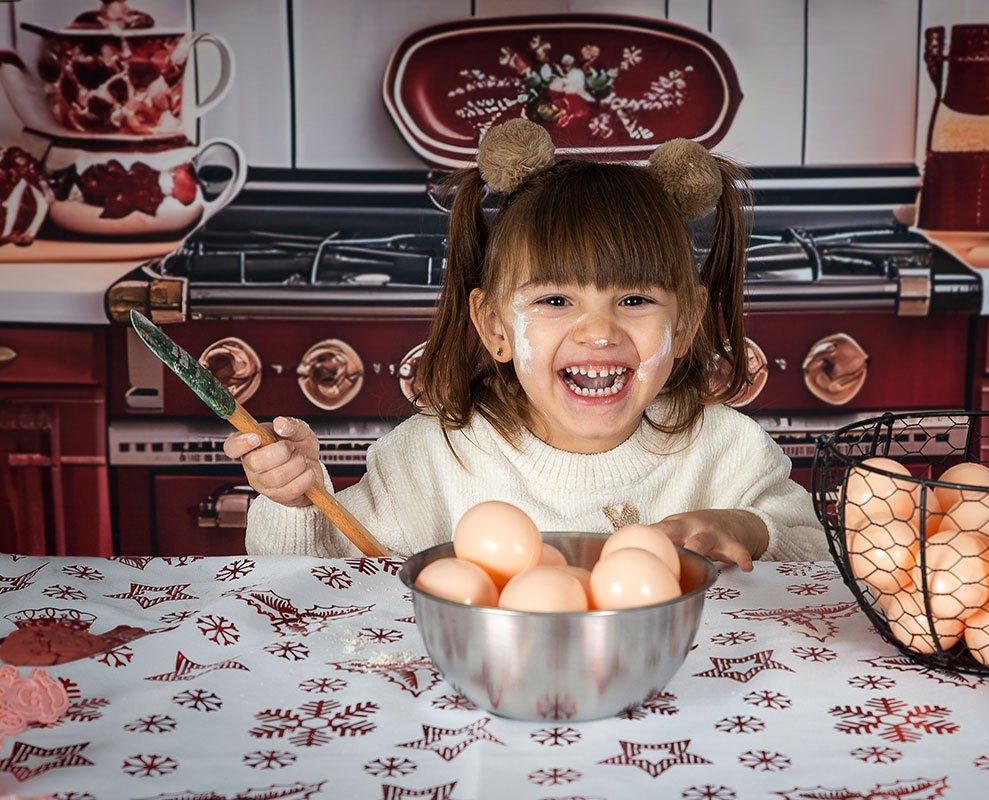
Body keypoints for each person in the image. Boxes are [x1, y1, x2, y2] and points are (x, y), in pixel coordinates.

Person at [226, 118, 828, 569]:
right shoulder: (436, 458)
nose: (598, 331)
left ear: (688, 321)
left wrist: (751, 530)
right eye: (556, 301)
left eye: (634, 300)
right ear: (495, 327)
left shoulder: (726, 451)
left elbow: (823, 557)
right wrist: (296, 500)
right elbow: (317, 576)